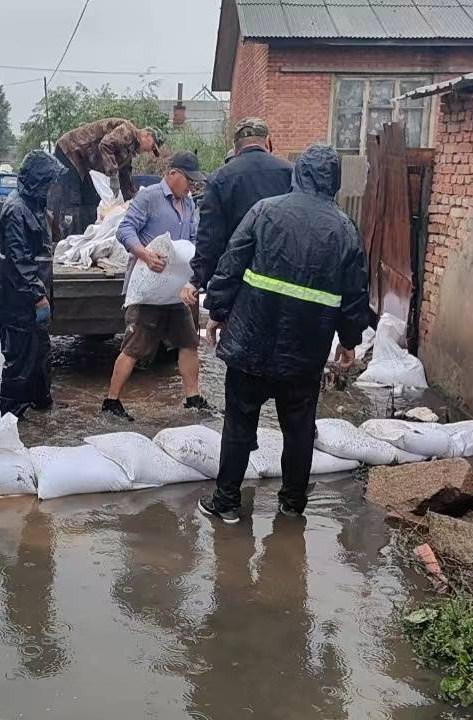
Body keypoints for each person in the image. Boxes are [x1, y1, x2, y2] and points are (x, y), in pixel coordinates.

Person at [197, 144, 372, 523]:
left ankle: (226, 502)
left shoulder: (265, 211)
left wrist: (217, 311)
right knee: (298, 430)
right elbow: (355, 291)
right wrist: (350, 339)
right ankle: (292, 504)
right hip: (304, 352)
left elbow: (231, 262)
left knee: (240, 423)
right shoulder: (344, 229)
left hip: (250, 341)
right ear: (334, 181)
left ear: (299, 173)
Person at [102, 151, 209, 421]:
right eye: (188, 180)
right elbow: (125, 230)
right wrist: (145, 254)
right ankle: (111, 402)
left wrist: (193, 278)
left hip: (176, 290)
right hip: (148, 288)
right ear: (173, 174)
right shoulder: (149, 197)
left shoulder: (189, 205)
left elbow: (194, 240)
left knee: (188, 342)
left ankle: (192, 398)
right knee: (134, 347)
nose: (191, 186)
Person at [0, 150, 66, 418]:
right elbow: (19, 261)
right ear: (37, 182)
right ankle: (12, 416)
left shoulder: (34, 204)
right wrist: (37, 295)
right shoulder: (16, 210)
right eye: (49, 182)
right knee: (19, 358)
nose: (52, 187)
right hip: (16, 300)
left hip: (30, 295)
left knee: (40, 352)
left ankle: (41, 403)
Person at [181, 117, 292, 308]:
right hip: (284, 277)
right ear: (267, 141)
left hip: (239, 281)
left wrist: (197, 279)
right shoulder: (290, 173)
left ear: (236, 147)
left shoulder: (220, 178)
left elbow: (210, 237)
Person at [49, 118, 163, 239]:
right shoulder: (128, 131)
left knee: (91, 200)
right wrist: (113, 176)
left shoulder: (129, 150)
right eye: (152, 146)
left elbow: (125, 176)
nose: (149, 151)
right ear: (147, 135)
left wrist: (133, 200)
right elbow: (105, 145)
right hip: (70, 151)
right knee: (73, 198)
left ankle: (83, 237)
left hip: (83, 161)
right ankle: (67, 239)